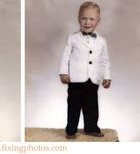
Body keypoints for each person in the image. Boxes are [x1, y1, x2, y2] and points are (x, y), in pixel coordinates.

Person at [59, 1, 111, 139]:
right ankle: (71, 130)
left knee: (92, 106)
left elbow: (104, 60)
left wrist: (107, 77)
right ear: (78, 18)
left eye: (92, 19)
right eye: (84, 18)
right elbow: (65, 56)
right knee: (74, 106)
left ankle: (91, 127)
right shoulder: (72, 38)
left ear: (98, 21)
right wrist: (63, 72)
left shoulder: (102, 41)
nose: (87, 22)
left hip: (93, 79)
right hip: (75, 79)